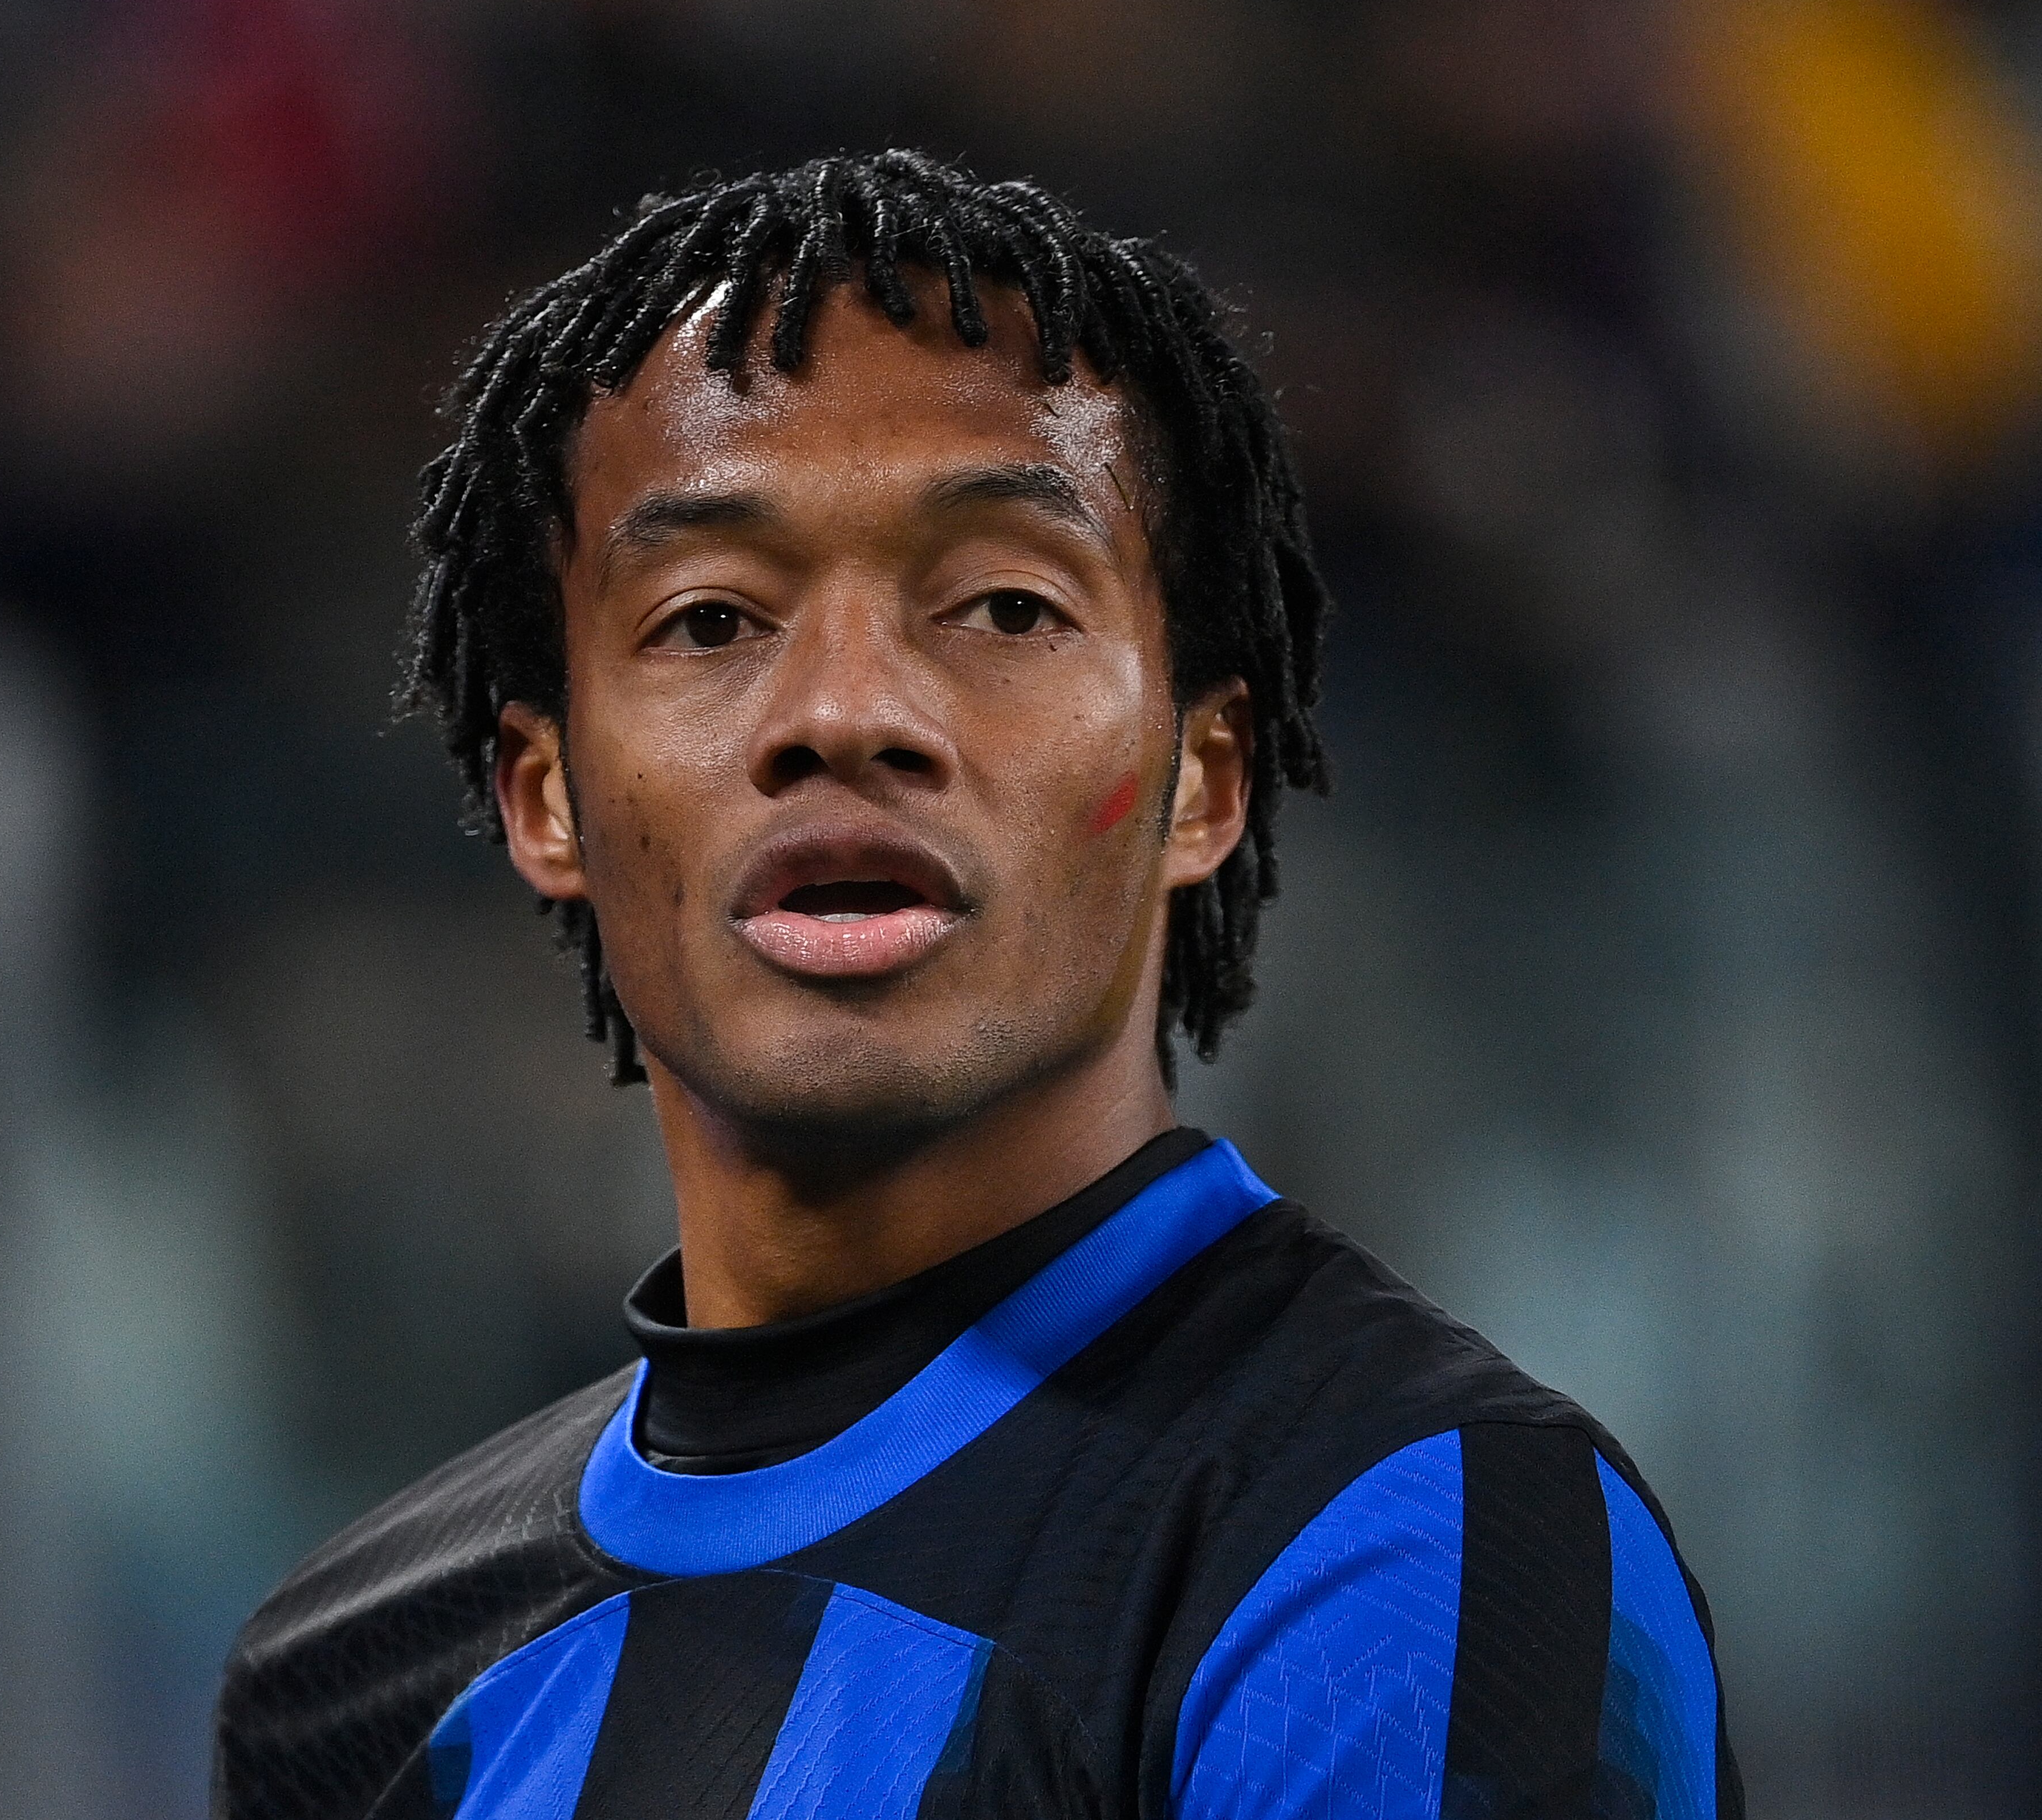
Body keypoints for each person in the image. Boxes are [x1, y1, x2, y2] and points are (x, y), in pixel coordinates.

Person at [214, 151, 1737, 1820]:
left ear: (1206, 782)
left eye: (1005, 607)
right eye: (711, 620)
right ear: (545, 798)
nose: (845, 713)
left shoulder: (1406, 1544)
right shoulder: (344, 1686)